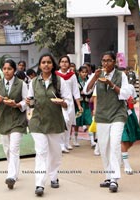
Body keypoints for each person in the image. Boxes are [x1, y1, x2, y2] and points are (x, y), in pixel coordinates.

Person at [26, 53, 71, 196]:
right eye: (43, 62)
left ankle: (53, 176)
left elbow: (68, 101)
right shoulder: (33, 83)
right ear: (39, 65)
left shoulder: (59, 82)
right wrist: (29, 103)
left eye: (49, 62)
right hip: (38, 122)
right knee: (41, 152)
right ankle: (39, 183)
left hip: (55, 122)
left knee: (55, 153)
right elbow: (30, 101)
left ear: (53, 65)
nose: (46, 65)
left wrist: (62, 102)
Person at [84, 51, 130, 193]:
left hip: (118, 114)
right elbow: (86, 90)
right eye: (103, 61)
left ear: (114, 62)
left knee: (115, 144)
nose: (105, 63)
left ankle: (115, 179)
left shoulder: (121, 75)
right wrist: (95, 77)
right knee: (104, 147)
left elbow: (125, 94)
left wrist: (111, 84)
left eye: (109, 60)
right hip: (102, 115)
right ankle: (108, 176)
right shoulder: (97, 74)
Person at [0, 59, 28, 190]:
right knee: (7, 150)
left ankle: (11, 176)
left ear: (14, 70)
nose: (6, 71)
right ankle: (15, 172)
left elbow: (26, 100)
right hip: (4, 120)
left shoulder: (21, 84)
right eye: (5, 69)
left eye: (9, 69)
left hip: (18, 120)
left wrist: (18, 105)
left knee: (14, 148)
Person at [56, 55, 83, 152]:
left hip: (70, 102)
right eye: (62, 61)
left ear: (69, 64)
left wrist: (79, 105)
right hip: (59, 102)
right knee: (64, 121)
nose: (64, 63)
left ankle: (66, 143)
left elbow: (75, 91)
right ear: (59, 63)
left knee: (69, 124)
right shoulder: (56, 75)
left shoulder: (72, 75)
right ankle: (61, 144)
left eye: (66, 62)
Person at [121, 83, 140, 175]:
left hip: (130, 113)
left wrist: (132, 101)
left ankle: (121, 154)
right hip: (119, 114)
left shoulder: (130, 87)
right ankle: (126, 164)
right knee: (124, 139)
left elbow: (134, 99)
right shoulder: (112, 86)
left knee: (132, 139)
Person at [74, 66, 93, 147]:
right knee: (77, 123)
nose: (84, 74)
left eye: (86, 72)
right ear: (79, 72)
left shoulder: (88, 80)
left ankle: (92, 140)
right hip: (79, 104)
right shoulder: (76, 81)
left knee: (89, 121)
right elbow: (75, 92)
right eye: (83, 72)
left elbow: (91, 90)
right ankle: (75, 139)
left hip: (86, 103)